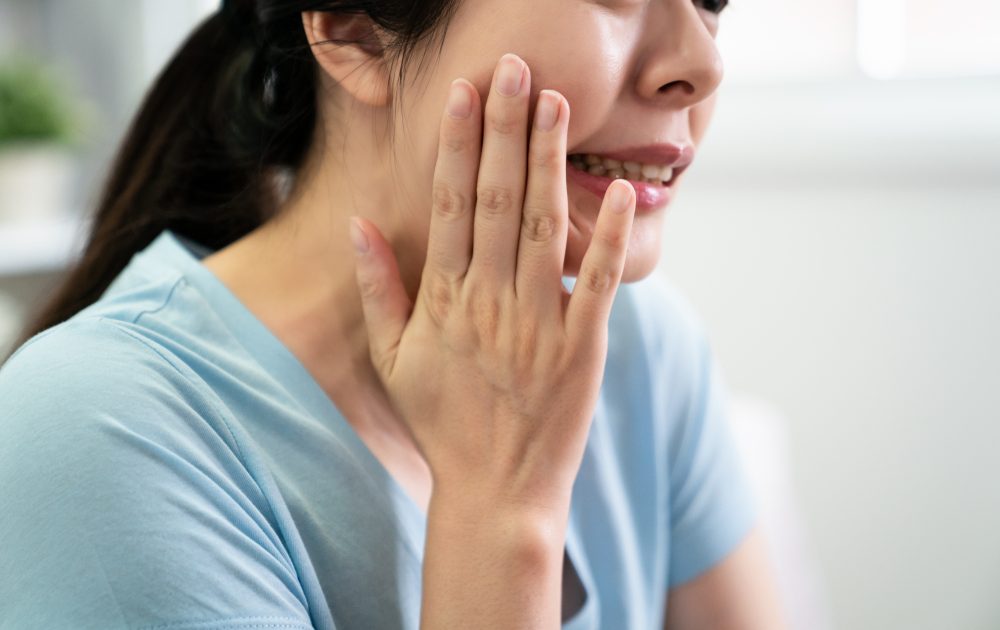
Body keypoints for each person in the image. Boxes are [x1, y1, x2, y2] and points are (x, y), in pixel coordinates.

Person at [0, 0, 785, 628]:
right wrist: (499, 509)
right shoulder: (100, 436)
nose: (702, 63)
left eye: (711, 1)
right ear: (351, 27)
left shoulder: (635, 342)